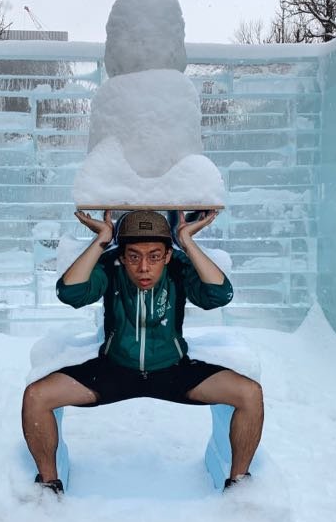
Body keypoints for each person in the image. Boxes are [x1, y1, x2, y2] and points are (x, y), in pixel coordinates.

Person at [21, 209, 264, 494]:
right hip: (113, 371)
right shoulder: (112, 268)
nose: (144, 267)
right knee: (37, 396)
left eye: (154, 256)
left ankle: (239, 487)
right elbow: (70, 293)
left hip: (174, 371)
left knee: (249, 393)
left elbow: (220, 295)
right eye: (134, 256)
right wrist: (102, 240)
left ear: (167, 256)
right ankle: (49, 487)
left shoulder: (178, 268)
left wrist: (186, 242)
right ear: (122, 257)